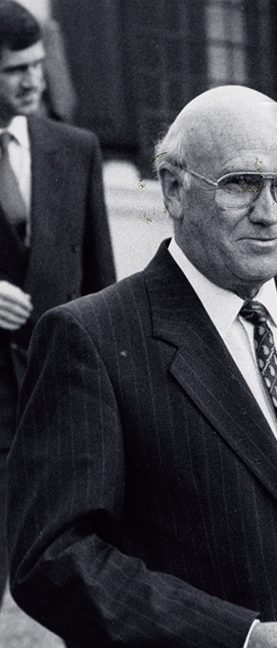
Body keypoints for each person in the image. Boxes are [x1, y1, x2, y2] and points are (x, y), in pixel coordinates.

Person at [7, 85, 277, 648]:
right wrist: (240, 637)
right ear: (174, 190)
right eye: (240, 185)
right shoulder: (92, 337)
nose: (269, 214)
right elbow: (55, 557)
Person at [0, 0, 114, 605]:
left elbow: (100, 285)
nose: (32, 80)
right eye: (14, 69)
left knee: (85, 583)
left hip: (57, 402)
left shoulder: (75, 149)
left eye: (38, 65)